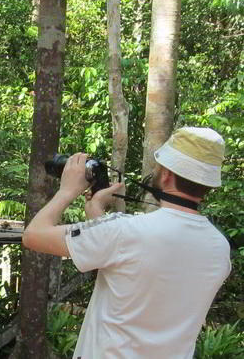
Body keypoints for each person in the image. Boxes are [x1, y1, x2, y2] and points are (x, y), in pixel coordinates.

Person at [22, 127, 231, 358]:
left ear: (168, 174)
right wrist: (97, 213)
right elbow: (134, 266)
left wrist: (67, 191)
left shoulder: (125, 231)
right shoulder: (219, 248)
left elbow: (33, 235)